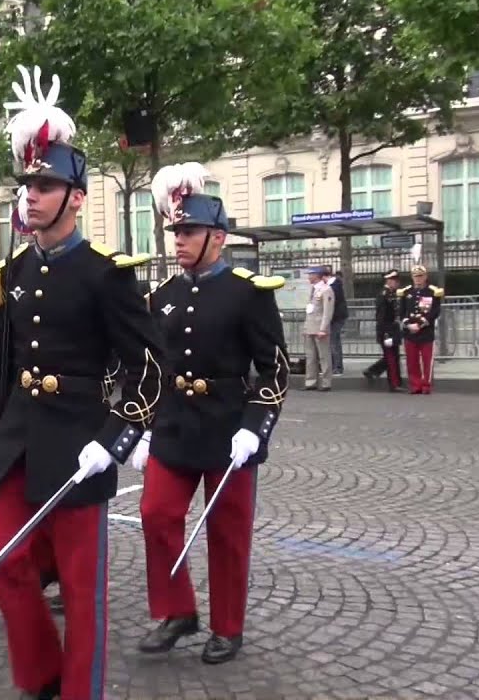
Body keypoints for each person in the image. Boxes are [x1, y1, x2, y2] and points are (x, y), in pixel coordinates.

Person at [0, 65, 163, 700]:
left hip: (81, 441)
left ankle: (82, 690)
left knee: (82, 592)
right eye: (27, 184)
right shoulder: (10, 271)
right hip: (17, 442)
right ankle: (41, 673)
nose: (32, 195)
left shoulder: (106, 274)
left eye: (46, 185)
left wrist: (117, 437)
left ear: (77, 196)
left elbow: (148, 369)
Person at [137, 162, 289, 664]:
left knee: (227, 533)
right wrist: (141, 427)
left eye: (189, 232)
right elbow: (152, 367)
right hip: (175, 425)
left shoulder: (247, 293)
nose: (178, 240)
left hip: (228, 428)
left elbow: (274, 371)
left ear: (218, 238)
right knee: (156, 515)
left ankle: (228, 626)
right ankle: (177, 611)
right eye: (175, 231)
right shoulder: (162, 296)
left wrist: (254, 428)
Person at [398, 265, 443, 394]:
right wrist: (408, 324)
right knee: (412, 361)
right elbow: (402, 312)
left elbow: (435, 311)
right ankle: (415, 385)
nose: (418, 279)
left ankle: (426, 385)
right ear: (412, 277)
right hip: (410, 332)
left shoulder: (432, 292)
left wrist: (421, 324)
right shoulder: (406, 292)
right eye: (415, 276)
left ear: (425, 277)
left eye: (420, 276)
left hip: (426, 332)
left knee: (426, 361)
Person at [363, 269, 402, 391]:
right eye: (395, 281)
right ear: (389, 281)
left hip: (393, 329)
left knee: (394, 357)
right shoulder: (383, 295)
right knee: (391, 358)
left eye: (397, 281)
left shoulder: (392, 293)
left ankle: (372, 371)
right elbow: (381, 316)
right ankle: (394, 384)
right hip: (387, 330)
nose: (397, 283)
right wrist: (385, 334)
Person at [302, 266, 334, 391]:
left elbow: (327, 311)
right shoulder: (313, 289)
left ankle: (326, 382)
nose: (309, 277)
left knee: (323, 356)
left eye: (311, 274)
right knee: (310, 357)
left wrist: (323, 328)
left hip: (320, 328)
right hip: (310, 327)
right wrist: (305, 328)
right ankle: (310, 382)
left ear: (317, 275)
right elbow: (310, 310)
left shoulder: (326, 290)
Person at [329, 268, 348, 375]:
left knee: (334, 342)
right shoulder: (335, 284)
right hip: (336, 317)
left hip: (336, 317)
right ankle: (335, 366)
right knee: (333, 342)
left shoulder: (334, 285)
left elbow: (333, 302)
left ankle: (337, 367)